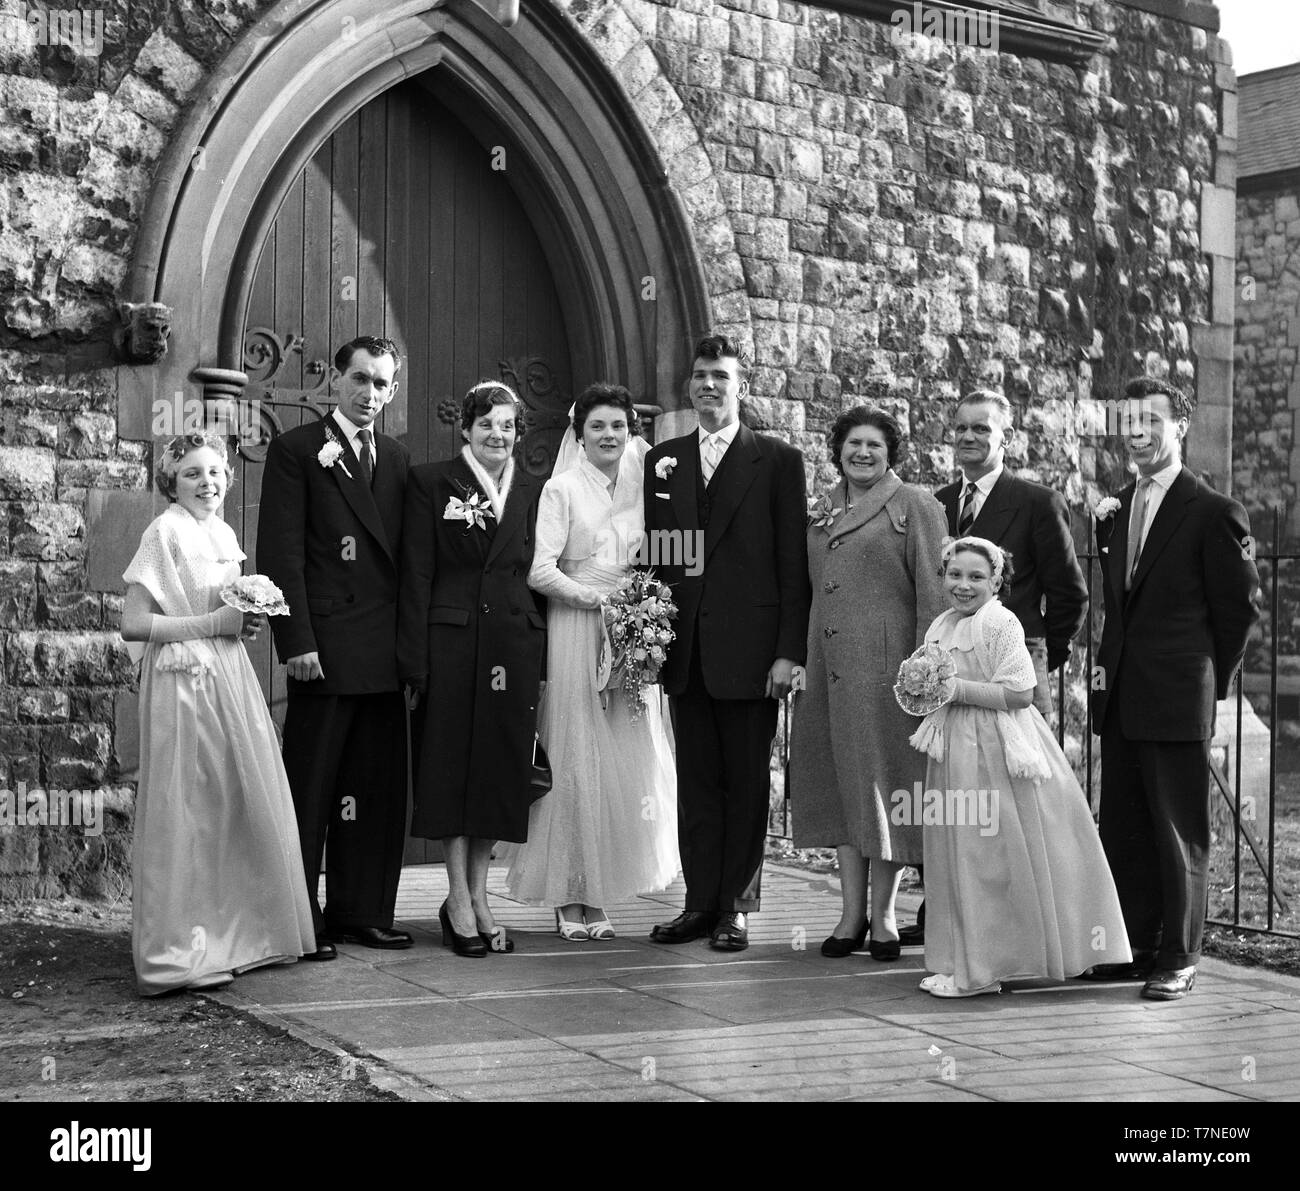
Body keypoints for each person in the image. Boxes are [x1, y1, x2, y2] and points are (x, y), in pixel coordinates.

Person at [120, 433, 315, 994]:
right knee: (191, 804)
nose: (208, 482)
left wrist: (245, 621)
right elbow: (134, 625)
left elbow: (227, 611)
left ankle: (246, 933)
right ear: (170, 484)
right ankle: (181, 951)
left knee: (233, 797)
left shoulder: (224, 533)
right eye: (191, 474)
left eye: (215, 472)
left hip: (228, 673)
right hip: (183, 679)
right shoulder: (163, 532)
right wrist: (210, 625)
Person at [1084, 377, 1258, 1000]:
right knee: (1124, 825)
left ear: (1178, 426)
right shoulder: (1118, 505)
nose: (1138, 432)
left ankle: (1179, 956)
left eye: (1151, 421)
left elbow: (1238, 613)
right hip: (1123, 695)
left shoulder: (1213, 510)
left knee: (1179, 828)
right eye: (1129, 421)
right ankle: (1132, 945)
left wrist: (1206, 685)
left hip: (1179, 695)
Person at [643, 333, 810, 951]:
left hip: (753, 654)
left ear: (742, 385)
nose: (709, 385)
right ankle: (697, 904)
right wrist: (652, 636)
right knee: (696, 784)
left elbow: (792, 562)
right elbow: (666, 556)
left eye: (721, 376)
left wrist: (788, 652)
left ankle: (736, 908)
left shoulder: (777, 461)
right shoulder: (665, 461)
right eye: (701, 376)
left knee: (746, 783)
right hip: (688, 653)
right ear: (689, 386)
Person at [909, 537, 1131, 997]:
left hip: (995, 748)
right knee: (956, 852)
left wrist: (955, 690)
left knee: (987, 855)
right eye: (955, 575)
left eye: (976, 577)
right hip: (955, 747)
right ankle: (962, 959)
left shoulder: (1001, 622)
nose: (963, 585)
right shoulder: (942, 624)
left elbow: (1020, 693)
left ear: (997, 582)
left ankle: (982, 970)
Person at [909, 390, 1089, 948]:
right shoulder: (937, 503)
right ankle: (956, 906)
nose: (968, 438)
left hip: (1012, 670)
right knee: (957, 790)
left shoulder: (1036, 501)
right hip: (952, 671)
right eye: (960, 428)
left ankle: (1020, 915)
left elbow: (1070, 592)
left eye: (981, 430)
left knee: (1016, 797)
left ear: (1004, 438)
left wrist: (1041, 654)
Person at [499, 384, 679, 938]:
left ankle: (598, 893)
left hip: (630, 629)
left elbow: (669, 548)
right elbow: (539, 569)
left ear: (631, 432)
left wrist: (642, 608)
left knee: (626, 753)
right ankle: (567, 894)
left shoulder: (643, 481)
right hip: (578, 625)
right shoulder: (562, 489)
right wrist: (595, 600)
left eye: (618, 427)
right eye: (597, 427)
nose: (608, 436)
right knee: (578, 750)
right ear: (579, 433)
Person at [258, 335, 412, 959]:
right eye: (359, 379)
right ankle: (303, 918)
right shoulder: (297, 450)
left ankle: (363, 912)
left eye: (381, 383)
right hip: (322, 650)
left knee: (373, 790)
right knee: (313, 788)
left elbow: (409, 564)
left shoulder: (399, 462)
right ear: (335, 381)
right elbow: (280, 553)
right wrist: (295, 639)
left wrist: (411, 653)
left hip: (383, 655)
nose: (369, 393)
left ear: (393, 390)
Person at [790, 407, 947, 960]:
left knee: (884, 789)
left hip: (889, 676)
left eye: (874, 446)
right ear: (837, 450)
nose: (862, 453)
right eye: (853, 443)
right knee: (838, 790)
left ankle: (883, 920)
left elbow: (935, 596)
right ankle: (848, 916)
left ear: (891, 453)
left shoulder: (916, 505)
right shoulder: (819, 508)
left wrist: (927, 675)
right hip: (825, 670)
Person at [397, 380, 546, 957]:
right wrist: (414, 660)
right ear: (466, 427)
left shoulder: (536, 491)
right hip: (452, 646)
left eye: (507, 426)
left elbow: (543, 573)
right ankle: (456, 897)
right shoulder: (432, 483)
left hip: (513, 647)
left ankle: (482, 895)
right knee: (452, 770)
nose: (497, 434)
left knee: (496, 774)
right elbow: (416, 575)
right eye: (486, 423)